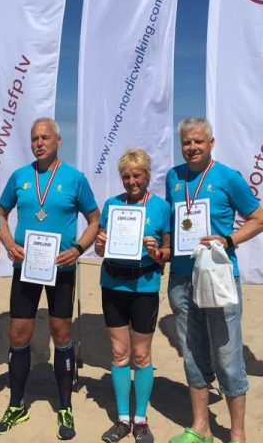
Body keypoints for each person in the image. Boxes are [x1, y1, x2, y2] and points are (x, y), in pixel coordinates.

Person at [0, 117, 100, 440]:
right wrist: (8, 243)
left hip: (61, 268)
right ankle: (16, 405)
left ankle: (64, 406)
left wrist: (78, 249)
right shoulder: (20, 176)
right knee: (18, 333)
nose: (39, 143)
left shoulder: (75, 178)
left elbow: (94, 219)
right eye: (35, 138)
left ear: (58, 141)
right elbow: (0, 212)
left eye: (45, 137)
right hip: (26, 268)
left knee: (61, 333)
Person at [165, 118, 263, 443]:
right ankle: (201, 428)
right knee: (192, 352)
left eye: (198, 141)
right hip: (181, 278)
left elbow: (259, 220)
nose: (192, 147)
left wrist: (229, 240)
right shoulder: (173, 177)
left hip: (218, 277)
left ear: (211, 143)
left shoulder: (228, 177)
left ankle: (237, 434)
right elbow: (171, 224)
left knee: (226, 355)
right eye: (186, 142)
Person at [93, 149, 171, 443]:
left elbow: (168, 251)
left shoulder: (161, 207)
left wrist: (156, 252)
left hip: (144, 287)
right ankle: (123, 419)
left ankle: (141, 420)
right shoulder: (112, 205)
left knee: (141, 355)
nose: (131, 181)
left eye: (137, 175)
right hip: (113, 286)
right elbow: (100, 247)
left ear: (147, 176)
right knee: (118, 353)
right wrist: (100, 245)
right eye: (126, 176)